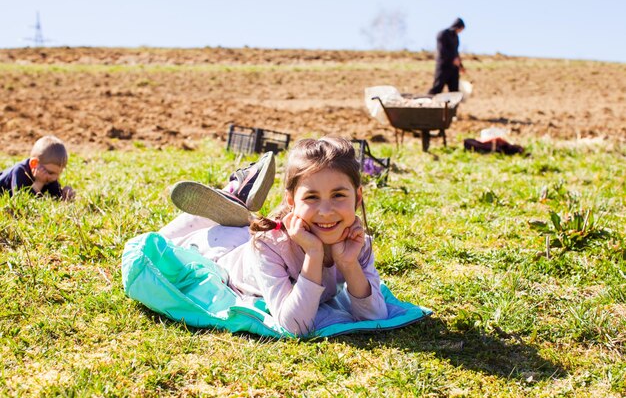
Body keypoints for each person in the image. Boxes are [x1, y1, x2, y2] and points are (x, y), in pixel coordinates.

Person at [162, 137, 388, 335]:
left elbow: (376, 317)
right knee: (163, 241)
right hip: (220, 252)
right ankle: (233, 195)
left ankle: (239, 199)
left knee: (246, 230)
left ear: (358, 198)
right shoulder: (268, 246)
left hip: (247, 237)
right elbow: (295, 325)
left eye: (338, 195)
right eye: (311, 197)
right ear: (291, 201)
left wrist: (349, 264)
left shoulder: (357, 245)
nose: (326, 211)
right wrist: (313, 253)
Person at [0, 135, 75, 200]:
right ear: (34, 163)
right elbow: (20, 200)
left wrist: (65, 195)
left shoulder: (50, 177)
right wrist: (39, 183)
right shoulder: (20, 171)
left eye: (58, 174)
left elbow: (56, 196)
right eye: (50, 172)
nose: (55, 178)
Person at [428, 17, 466, 95]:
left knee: (454, 91)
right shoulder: (443, 34)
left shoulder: (456, 37)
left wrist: (461, 66)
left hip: (453, 68)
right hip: (443, 66)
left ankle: (452, 107)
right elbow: (441, 50)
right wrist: (452, 59)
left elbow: (456, 52)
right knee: (437, 88)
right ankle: (428, 104)